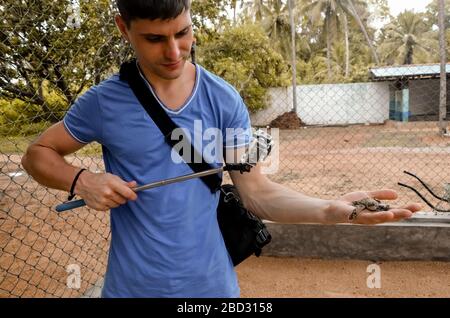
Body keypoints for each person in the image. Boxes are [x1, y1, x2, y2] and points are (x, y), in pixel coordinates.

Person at [21, 0, 421, 298]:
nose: (175, 52)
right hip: (133, 288)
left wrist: (332, 209)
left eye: (183, 33)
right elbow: (37, 154)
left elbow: (258, 194)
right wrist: (83, 179)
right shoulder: (104, 102)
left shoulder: (223, 100)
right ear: (123, 28)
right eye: (155, 39)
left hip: (212, 289)